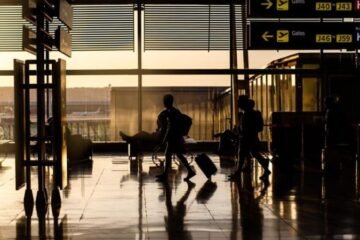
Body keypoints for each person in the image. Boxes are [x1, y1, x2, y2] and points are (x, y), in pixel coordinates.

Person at [228, 96, 271, 181]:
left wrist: (241, 133)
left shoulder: (247, 115)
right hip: (251, 137)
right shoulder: (252, 114)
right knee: (252, 154)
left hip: (247, 138)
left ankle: (238, 173)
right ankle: (265, 167)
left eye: (240, 104)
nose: (239, 106)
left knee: (243, 155)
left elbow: (245, 127)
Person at [155, 94, 196, 181]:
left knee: (171, 154)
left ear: (167, 101)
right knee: (174, 154)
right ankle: (167, 174)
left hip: (173, 137)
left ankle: (166, 174)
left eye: (164, 101)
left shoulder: (170, 113)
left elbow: (170, 128)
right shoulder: (175, 111)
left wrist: (164, 139)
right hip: (175, 137)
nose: (163, 102)